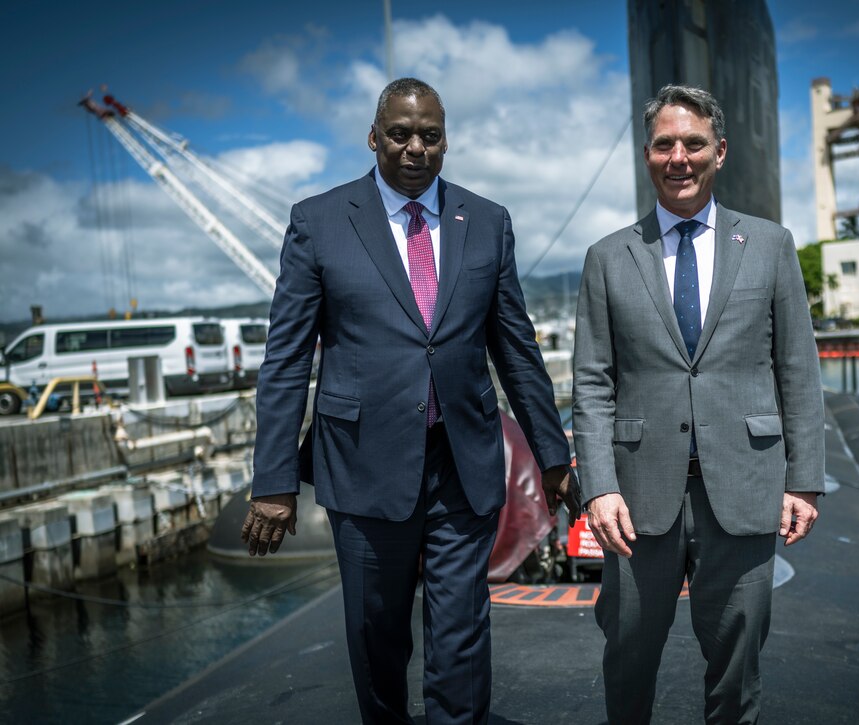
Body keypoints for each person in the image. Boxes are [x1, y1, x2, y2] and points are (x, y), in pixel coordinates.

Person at [240, 77, 579, 724]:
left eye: (430, 135)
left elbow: (516, 348)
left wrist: (553, 456)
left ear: (446, 140)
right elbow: (284, 361)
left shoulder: (486, 220)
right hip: (362, 466)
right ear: (374, 137)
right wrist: (273, 481)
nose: (415, 147)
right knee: (378, 637)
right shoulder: (319, 222)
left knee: (460, 638)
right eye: (400, 133)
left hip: (462, 461)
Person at [572, 84, 824, 724]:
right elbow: (593, 383)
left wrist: (805, 480)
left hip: (744, 487)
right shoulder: (607, 258)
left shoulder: (770, 245)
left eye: (693, 143)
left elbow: (797, 367)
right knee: (627, 654)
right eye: (664, 144)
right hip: (636, 499)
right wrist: (597, 487)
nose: (678, 157)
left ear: (720, 152)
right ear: (646, 154)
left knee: (738, 662)